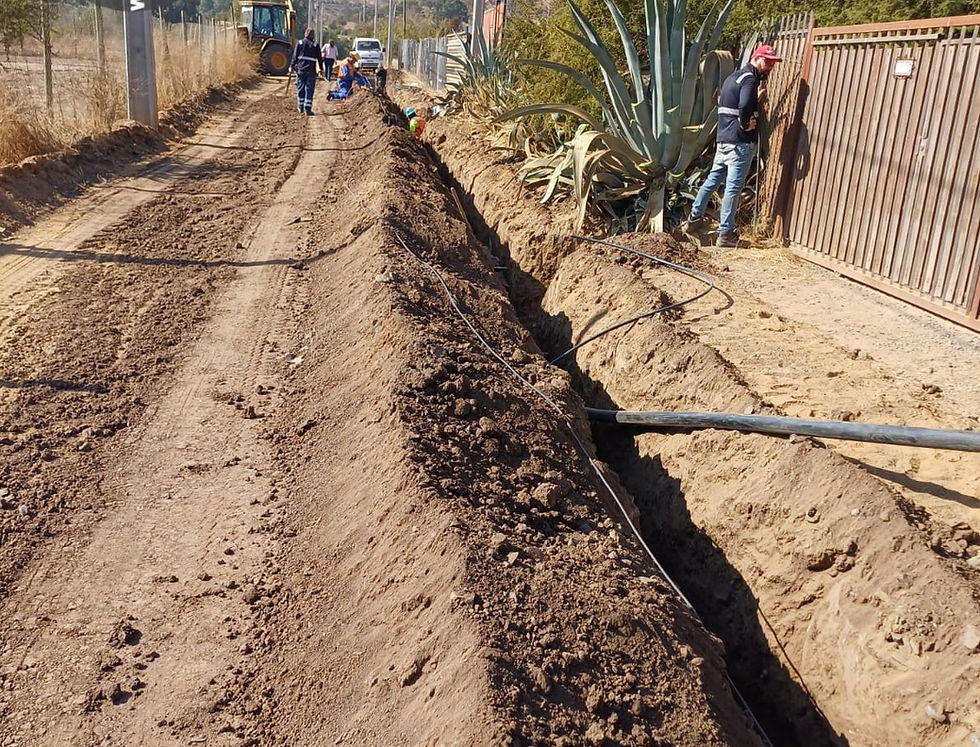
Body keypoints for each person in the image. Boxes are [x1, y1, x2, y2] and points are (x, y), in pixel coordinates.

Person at [685, 43, 782, 247]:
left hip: (724, 140)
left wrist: (753, 101)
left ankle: (694, 218)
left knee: (712, 180)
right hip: (739, 143)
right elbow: (744, 104)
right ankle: (726, 233)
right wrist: (746, 124)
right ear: (756, 58)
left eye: (773, 63)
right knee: (733, 188)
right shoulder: (750, 79)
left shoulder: (734, 77)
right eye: (767, 61)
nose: (770, 66)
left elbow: (729, 101)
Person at [291, 28, 324, 115]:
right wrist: (321, 68)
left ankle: (300, 107)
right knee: (309, 89)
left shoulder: (300, 43)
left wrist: (292, 66)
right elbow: (320, 59)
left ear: (305, 34)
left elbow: (295, 56)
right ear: (312, 35)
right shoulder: (315, 45)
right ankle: (307, 109)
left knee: (300, 88)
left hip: (301, 70)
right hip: (311, 71)